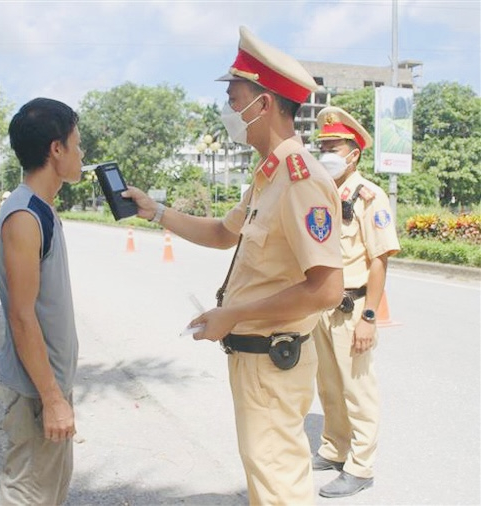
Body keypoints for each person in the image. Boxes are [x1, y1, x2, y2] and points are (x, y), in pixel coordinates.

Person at [123, 26, 344, 505]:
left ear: (262, 105)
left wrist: (233, 315)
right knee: (267, 480)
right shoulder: (269, 176)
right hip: (255, 355)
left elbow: (326, 290)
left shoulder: (302, 180)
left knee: (278, 485)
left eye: (233, 96)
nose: (226, 109)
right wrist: (155, 212)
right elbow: (224, 234)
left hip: (272, 355)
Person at [0, 98, 83, 506]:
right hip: (35, 394)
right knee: (27, 495)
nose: (82, 155)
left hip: (47, 387)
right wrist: (51, 398)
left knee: (47, 494)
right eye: (77, 145)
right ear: (56, 149)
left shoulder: (41, 210)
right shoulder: (25, 217)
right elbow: (21, 317)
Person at [311, 106, 400, 498]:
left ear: (354, 152)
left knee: (358, 389)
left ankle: (361, 466)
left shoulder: (369, 197)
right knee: (328, 384)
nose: (327, 152)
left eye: (335, 146)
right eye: (324, 145)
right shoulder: (323, 192)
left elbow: (379, 260)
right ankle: (334, 448)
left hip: (352, 308)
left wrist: (369, 317)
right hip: (321, 308)